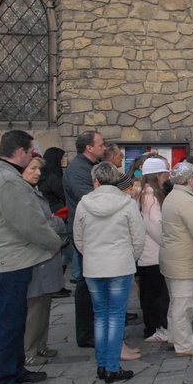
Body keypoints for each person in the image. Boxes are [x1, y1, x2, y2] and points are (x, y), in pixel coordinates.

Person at [0, 130, 62, 384]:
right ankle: (0, 382)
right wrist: (54, 243)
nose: (30, 159)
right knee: (9, 324)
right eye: (29, 153)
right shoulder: (8, 181)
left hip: (11, 259)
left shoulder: (2, 176)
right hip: (9, 261)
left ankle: (16, 371)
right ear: (19, 152)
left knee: (14, 323)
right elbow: (29, 223)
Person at [74, 162, 145, 384]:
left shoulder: (83, 204)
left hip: (94, 266)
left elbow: (79, 239)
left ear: (95, 181)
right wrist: (128, 257)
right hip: (119, 265)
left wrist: (92, 255)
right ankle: (112, 367)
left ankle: (103, 364)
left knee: (101, 316)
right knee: (115, 317)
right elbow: (138, 238)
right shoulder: (127, 204)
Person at [160, 162, 193, 357]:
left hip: (172, 257)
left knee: (175, 301)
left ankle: (174, 337)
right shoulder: (186, 200)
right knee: (184, 304)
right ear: (190, 180)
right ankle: (184, 345)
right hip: (183, 259)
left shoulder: (172, 196)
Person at [23, 155, 66, 366]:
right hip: (35, 259)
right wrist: (56, 224)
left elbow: (50, 222)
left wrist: (54, 223)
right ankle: (29, 351)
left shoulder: (35, 192)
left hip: (46, 259)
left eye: (39, 169)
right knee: (34, 309)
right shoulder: (23, 195)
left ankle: (41, 345)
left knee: (44, 305)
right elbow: (38, 226)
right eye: (32, 168)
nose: (37, 173)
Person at [64, 130, 106, 348]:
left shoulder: (88, 167)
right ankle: (87, 333)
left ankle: (94, 328)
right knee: (85, 283)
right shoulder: (78, 170)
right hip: (86, 233)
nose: (104, 147)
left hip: (93, 232)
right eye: (100, 144)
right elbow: (90, 199)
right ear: (89, 147)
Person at [138, 157, 171, 342]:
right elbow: (154, 224)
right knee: (155, 292)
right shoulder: (150, 195)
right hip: (152, 252)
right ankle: (155, 328)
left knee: (150, 291)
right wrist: (166, 242)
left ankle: (153, 326)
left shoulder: (143, 192)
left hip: (148, 251)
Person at [37, 147, 72, 298]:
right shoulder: (53, 178)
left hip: (52, 214)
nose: (64, 161)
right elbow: (64, 195)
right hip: (58, 215)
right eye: (62, 158)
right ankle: (56, 285)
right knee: (64, 251)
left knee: (63, 251)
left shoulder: (45, 177)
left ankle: (57, 284)